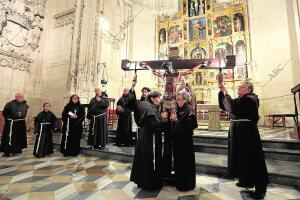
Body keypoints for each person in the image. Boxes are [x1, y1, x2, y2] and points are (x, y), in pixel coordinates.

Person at [218, 82, 269, 199]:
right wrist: (222, 92)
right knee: (243, 158)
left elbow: (232, 107)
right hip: (241, 132)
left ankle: (260, 190)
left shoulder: (250, 99)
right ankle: (246, 180)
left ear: (248, 89)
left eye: (240, 87)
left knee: (252, 158)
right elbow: (225, 106)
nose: (238, 88)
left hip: (247, 133)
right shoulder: (243, 99)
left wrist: (226, 92)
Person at [130, 91, 164, 190]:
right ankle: (149, 182)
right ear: (152, 99)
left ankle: (143, 180)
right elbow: (154, 124)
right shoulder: (150, 108)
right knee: (148, 159)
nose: (159, 100)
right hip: (150, 137)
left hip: (144, 135)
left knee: (144, 157)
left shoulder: (144, 104)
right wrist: (162, 119)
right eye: (158, 98)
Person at [172, 90, 198, 191]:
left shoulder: (189, 109)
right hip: (178, 140)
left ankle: (187, 184)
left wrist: (176, 120)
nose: (177, 101)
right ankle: (180, 181)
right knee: (179, 162)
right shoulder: (179, 108)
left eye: (179, 99)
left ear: (185, 99)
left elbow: (193, 124)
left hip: (185, 141)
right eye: (177, 99)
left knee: (185, 162)